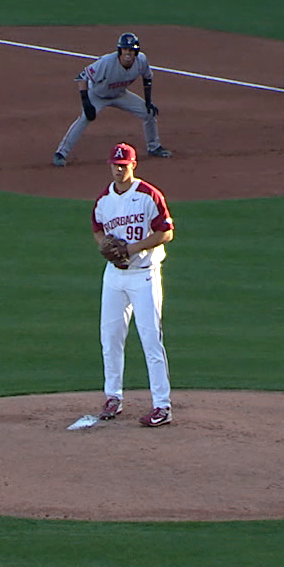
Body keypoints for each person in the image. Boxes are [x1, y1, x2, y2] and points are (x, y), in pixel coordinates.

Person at [91, 142, 175, 427]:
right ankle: (113, 396)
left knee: (151, 341)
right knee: (110, 338)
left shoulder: (148, 195)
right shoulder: (104, 199)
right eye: (114, 165)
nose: (118, 169)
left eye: (123, 165)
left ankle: (162, 405)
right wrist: (106, 246)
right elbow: (97, 229)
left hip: (144, 275)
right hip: (114, 277)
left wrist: (132, 248)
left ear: (133, 165)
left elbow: (166, 232)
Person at [53, 32, 172, 167]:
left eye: (131, 50)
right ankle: (61, 153)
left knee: (148, 112)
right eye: (125, 49)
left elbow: (147, 78)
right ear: (120, 50)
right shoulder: (107, 62)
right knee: (85, 118)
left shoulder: (141, 61)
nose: (128, 53)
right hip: (97, 95)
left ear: (136, 51)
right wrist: (86, 102)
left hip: (119, 94)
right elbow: (82, 77)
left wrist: (148, 101)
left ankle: (154, 147)